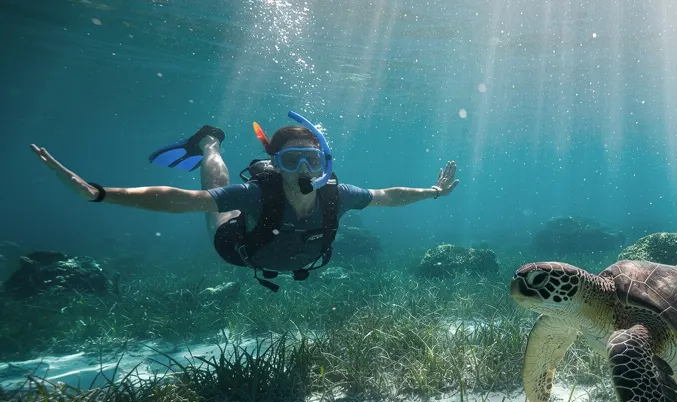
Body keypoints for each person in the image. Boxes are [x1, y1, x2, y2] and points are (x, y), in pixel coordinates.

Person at [30, 111, 459, 291]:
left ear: (324, 162)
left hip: (294, 257)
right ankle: (210, 145)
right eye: (291, 160)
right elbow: (181, 200)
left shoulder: (338, 195)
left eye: (311, 159)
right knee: (219, 202)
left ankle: (212, 146)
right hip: (238, 249)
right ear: (276, 162)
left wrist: (435, 192)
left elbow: (388, 197)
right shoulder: (257, 191)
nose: (303, 170)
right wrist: (100, 193)